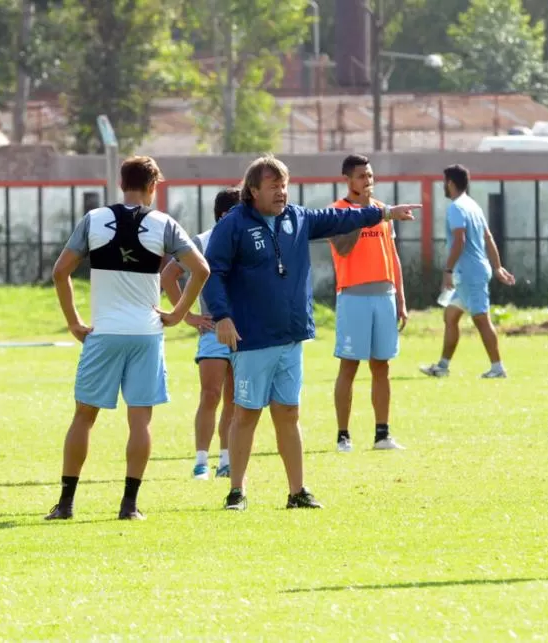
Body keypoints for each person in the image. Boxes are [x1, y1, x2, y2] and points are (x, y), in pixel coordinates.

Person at [205, 155, 421, 511]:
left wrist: (383, 213)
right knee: (247, 414)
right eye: (274, 186)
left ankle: (297, 491)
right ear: (253, 190)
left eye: (284, 185)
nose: (282, 193)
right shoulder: (234, 225)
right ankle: (236, 492)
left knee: (289, 412)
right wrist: (223, 317)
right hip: (251, 338)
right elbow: (214, 272)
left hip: (291, 337)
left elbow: (340, 218)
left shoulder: (298, 218)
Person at [46, 156, 209, 521]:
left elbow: (60, 272)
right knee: (140, 422)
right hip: (146, 335)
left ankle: (66, 504)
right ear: (153, 187)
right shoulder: (164, 224)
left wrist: (74, 322)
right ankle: (129, 505)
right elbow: (201, 269)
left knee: (83, 418)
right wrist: (179, 314)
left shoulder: (94, 220)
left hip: (103, 334)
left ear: (122, 185)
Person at [328, 154, 407, 453]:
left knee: (381, 366)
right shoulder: (337, 212)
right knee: (349, 366)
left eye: (370, 175)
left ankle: (382, 435)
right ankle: (343, 435)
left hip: (384, 296)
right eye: (361, 176)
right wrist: (362, 216)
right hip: (353, 297)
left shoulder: (382, 211)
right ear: (347, 180)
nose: (368, 181)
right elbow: (344, 250)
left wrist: (401, 297)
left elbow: (392, 255)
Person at [161, 187, 241, 480]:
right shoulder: (203, 242)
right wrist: (189, 315)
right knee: (210, 394)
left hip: (247, 332)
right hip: (213, 331)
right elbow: (169, 275)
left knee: (236, 399)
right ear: (224, 214)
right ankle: (201, 461)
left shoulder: (251, 237)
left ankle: (227, 459)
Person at [420, 164, 516, 379]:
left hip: (470, 274)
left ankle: (498, 368)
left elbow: (460, 240)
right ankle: (443, 366)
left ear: (450, 183)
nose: (443, 186)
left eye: (444, 182)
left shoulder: (456, 208)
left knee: (481, 319)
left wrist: (448, 270)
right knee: (450, 315)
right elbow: (488, 237)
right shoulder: (473, 205)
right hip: (470, 273)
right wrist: (497, 266)